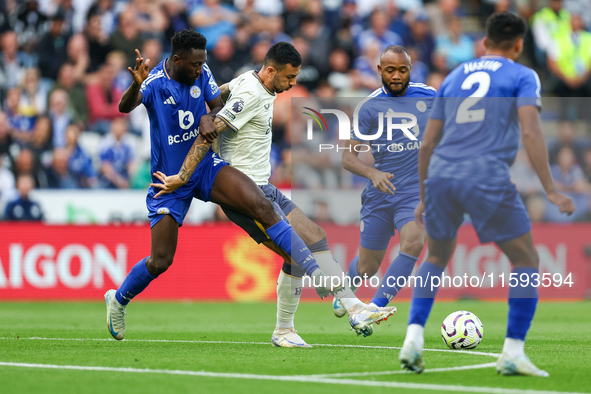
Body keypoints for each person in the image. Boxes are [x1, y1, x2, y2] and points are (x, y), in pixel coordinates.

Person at [104, 31, 390, 341]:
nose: (201, 70)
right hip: (171, 178)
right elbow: (124, 107)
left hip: (206, 167)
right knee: (161, 260)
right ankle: (118, 300)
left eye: (204, 63)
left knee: (266, 208)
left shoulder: (207, 71)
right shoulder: (155, 81)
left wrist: (210, 117)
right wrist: (135, 85)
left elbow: (217, 108)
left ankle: (325, 294)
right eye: (196, 64)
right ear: (177, 60)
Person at [398, 12, 574, 376]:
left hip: (442, 175)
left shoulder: (453, 76)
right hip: (486, 175)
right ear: (519, 45)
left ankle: (412, 338)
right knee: (526, 260)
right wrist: (551, 188)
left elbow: (427, 142)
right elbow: (530, 133)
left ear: (485, 42)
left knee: (436, 256)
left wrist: (423, 193)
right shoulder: (522, 75)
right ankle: (512, 352)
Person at [336, 45, 435, 320]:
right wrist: (372, 173)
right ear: (380, 70)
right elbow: (348, 158)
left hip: (415, 192)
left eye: (402, 70)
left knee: (414, 241)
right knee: (368, 266)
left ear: (410, 71)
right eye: (390, 70)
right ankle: (346, 289)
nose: (396, 76)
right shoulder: (368, 107)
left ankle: (374, 308)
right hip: (381, 192)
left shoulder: (430, 97)